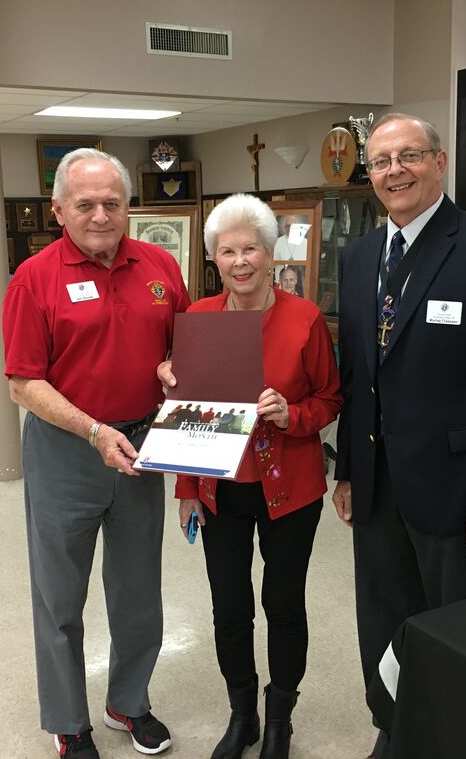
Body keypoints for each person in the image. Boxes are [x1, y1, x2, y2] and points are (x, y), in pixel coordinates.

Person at [332, 113, 466, 758]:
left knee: (462, 633)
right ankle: (396, 730)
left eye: (409, 156)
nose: (394, 170)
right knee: (385, 623)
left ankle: (457, 742)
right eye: (381, 162)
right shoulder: (359, 255)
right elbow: (359, 372)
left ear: (440, 162)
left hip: (461, 493)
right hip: (377, 487)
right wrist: (345, 469)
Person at [2, 148, 190, 759]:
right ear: (59, 210)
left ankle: (128, 702)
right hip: (67, 452)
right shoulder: (34, 278)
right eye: (85, 204)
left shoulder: (160, 265)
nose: (101, 215)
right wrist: (92, 431)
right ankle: (68, 720)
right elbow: (23, 383)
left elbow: (186, 349)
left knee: (138, 589)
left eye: (113, 202)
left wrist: (174, 373)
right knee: (60, 595)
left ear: (129, 206)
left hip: (142, 446)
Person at [158, 193, 341, 759]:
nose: (241, 261)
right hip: (221, 489)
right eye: (228, 251)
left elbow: (331, 399)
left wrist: (293, 414)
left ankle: (280, 717)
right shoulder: (198, 321)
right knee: (229, 606)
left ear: (270, 254)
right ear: (214, 258)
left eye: (251, 249)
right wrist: (186, 489)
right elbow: (186, 412)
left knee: (283, 603)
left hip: (291, 487)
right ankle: (243, 715)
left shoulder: (304, 319)